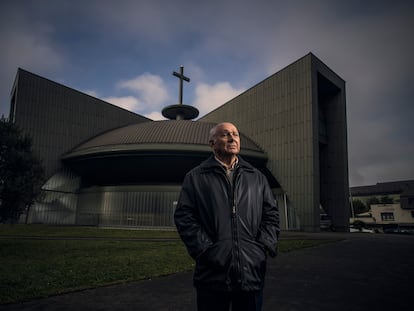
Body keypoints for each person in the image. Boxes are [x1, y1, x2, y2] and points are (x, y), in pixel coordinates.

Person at [174, 122, 280, 311]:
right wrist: (205, 249)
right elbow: (184, 216)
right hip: (212, 274)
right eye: (225, 135)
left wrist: (262, 246)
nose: (232, 138)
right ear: (212, 144)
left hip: (251, 273)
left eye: (235, 134)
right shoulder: (196, 177)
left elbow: (271, 214)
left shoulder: (257, 177)